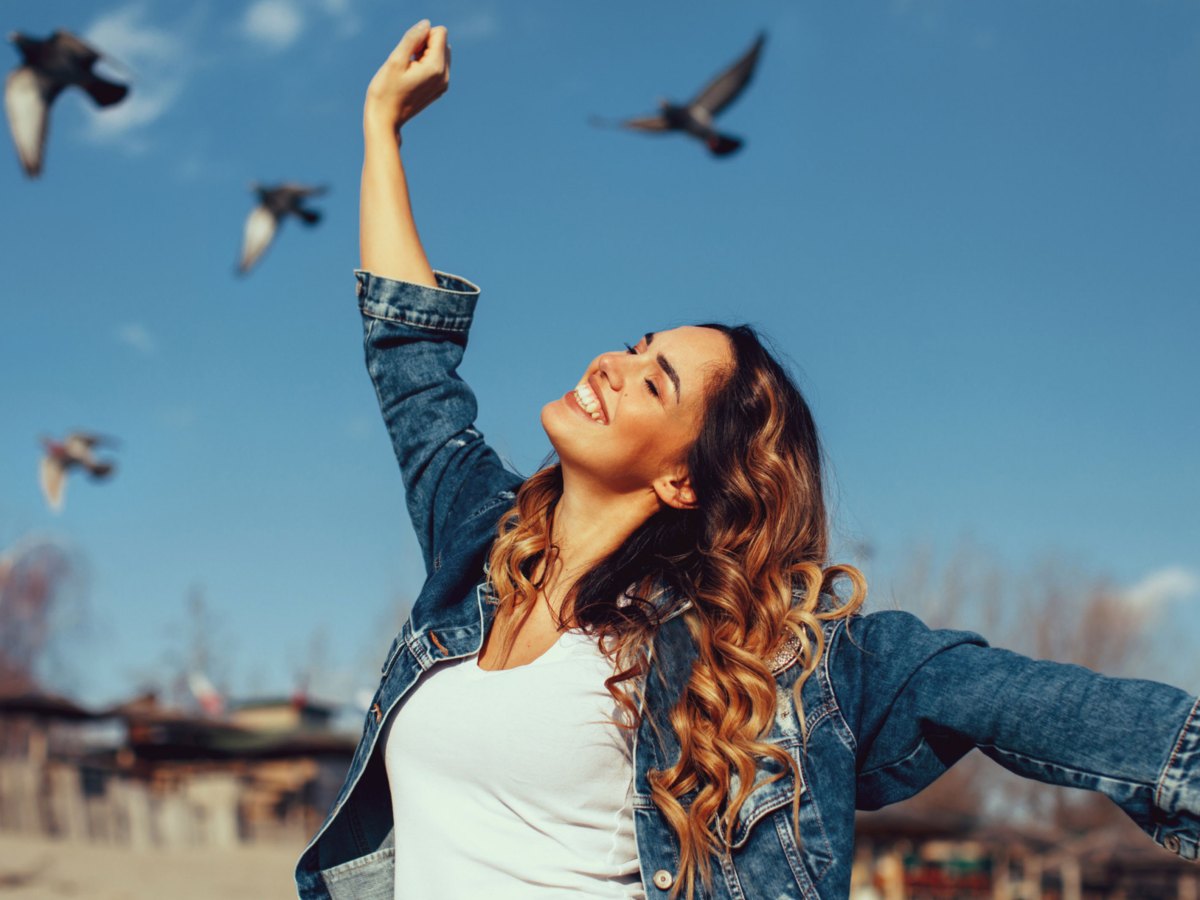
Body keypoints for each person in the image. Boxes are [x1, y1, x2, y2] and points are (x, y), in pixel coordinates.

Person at [294, 20, 1199, 900]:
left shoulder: (762, 655)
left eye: (655, 384)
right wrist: (382, 126)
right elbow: (411, 362)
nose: (613, 363)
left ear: (682, 479)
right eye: (636, 345)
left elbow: (1040, 706)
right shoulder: (476, 548)